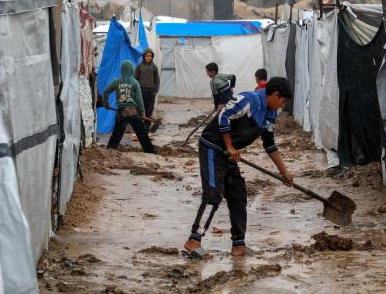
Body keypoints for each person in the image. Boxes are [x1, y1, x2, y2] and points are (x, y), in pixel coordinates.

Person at [183, 77, 294, 259]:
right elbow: (224, 116)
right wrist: (230, 146)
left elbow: (269, 144)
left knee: (238, 195)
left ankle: (239, 245)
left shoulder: (271, 114)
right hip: (213, 147)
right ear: (275, 95)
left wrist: (284, 172)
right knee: (213, 194)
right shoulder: (249, 100)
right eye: (282, 101)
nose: (282, 106)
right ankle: (194, 240)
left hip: (230, 153)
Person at [102, 60, 157, 153]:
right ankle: (150, 151)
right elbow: (139, 100)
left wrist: (106, 104)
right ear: (131, 70)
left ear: (122, 70)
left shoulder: (116, 81)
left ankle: (110, 150)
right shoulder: (135, 82)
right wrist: (142, 113)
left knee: (116, 135)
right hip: (133, 113)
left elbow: (105, 92)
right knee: (142, 134)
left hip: (121, 113)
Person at [135, 48, 160, 126]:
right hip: (141, 91)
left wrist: (155, 91)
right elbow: (135, 79)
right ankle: (140, 127)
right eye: (147, 56)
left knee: (149, 110)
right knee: (141, 110)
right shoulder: (139, 66)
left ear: (152, 57)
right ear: (144, 56)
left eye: (150, 56)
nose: (148, 57)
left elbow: (157, 80)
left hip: (151, 92)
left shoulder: (154, 67)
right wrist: (136, 91)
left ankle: (147, 127)